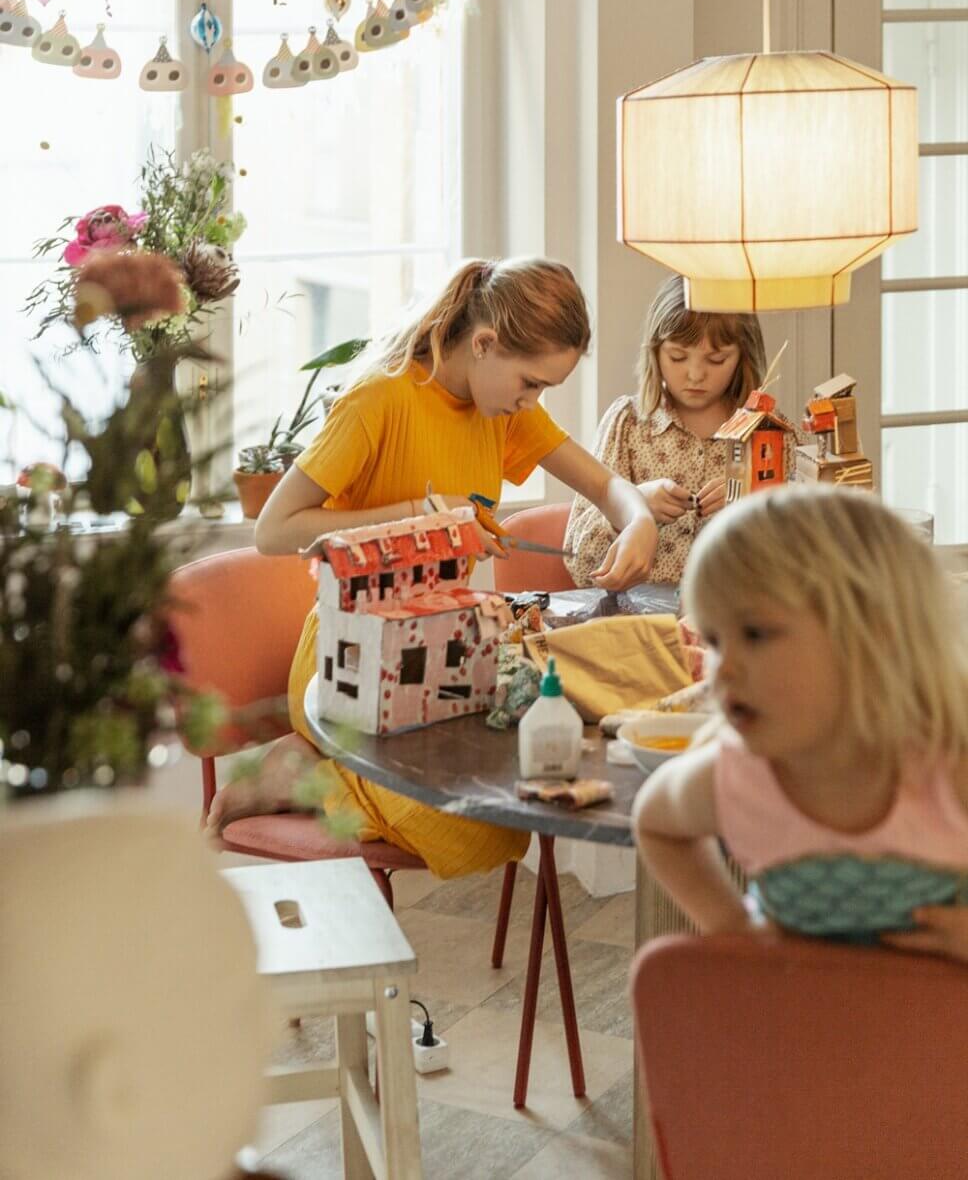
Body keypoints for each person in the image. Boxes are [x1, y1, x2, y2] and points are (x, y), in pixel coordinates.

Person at [208, 257, 659, 878]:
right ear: (483, 344)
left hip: (442, 646)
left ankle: (322, 767)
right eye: (530, 384)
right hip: (353, 651)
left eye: (543, 392)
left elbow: (610, 487)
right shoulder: (378, 402)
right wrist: (419, 517)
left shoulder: (501, 409)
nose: (531, 402)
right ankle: (301, 776)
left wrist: (638, 522)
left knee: (508, 819)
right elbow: (274, 529)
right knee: (472, 832)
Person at [634, 485, 968, 956]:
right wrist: (729, 924)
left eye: (754, 634)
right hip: (804, 1021)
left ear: (872, 636)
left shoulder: (950, 763)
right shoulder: (738, 775)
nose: (722, 669)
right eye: (714, 640)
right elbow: (656, 823)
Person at [564, 274, 798, 588]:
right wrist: (634, 507)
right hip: (639, 625)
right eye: (678, 356)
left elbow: (806, 557)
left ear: (742, 356)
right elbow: (579, 561)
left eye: (716, 360)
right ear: (656, 353)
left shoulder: (770, 433)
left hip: (735, 623)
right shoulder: (628, 424)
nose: (695, 374)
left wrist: (753, 506)